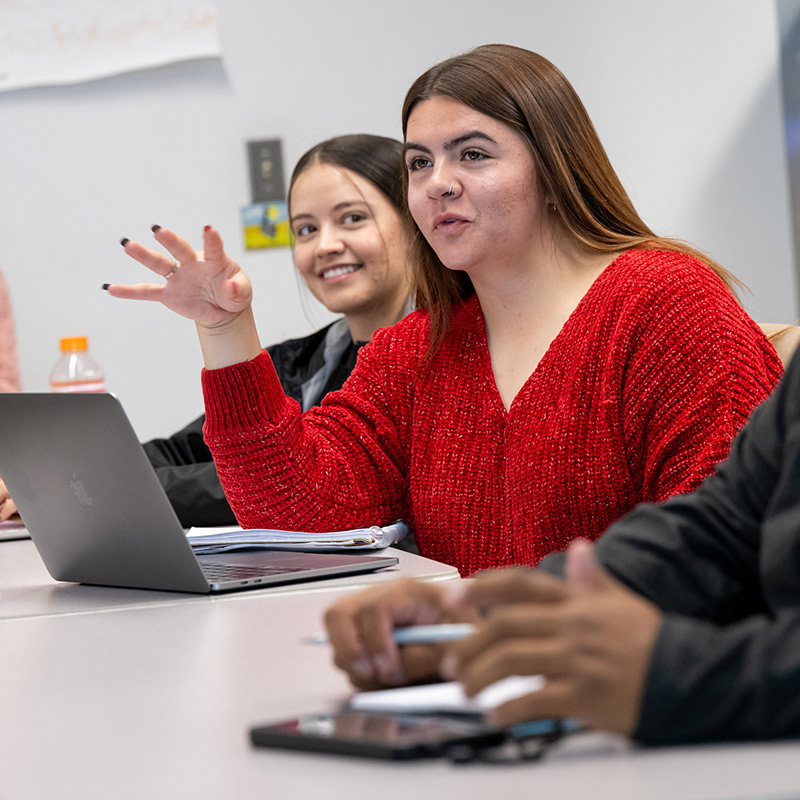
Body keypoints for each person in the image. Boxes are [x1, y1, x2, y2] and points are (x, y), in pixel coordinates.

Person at [105, 44, 781, 576]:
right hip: (471, 688)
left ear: (555, 169)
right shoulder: (414, 348)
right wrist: (226, 329)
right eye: (419, 163)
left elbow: (725, 539)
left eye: (473, 154)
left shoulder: (668, 303)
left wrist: (517, 612)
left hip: (632, 688)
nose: (438, 183)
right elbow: (302, 508)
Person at [322, 344, 800, 744]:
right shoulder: (422, 343)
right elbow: (723, 528)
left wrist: (679, 673)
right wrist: (486, 616)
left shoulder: (667, 309)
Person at [138, 134, 412, 526]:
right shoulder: (298, 361)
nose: (325, 245)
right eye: (306, 229)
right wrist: (76, 475)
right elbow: (186, 451)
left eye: (353, 218)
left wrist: (102, 491)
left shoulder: (437, 360)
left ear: (415, 222)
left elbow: (265, 478)